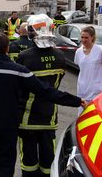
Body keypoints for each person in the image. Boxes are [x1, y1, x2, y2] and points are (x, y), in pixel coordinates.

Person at [0, 32, 86, 177]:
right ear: (7, 49)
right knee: (6, 161)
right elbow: (46, 91)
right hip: (9, 122)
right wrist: (77, 101)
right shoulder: (19, 71)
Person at [17, 14, 66, 177]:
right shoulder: (60, 56)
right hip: (49, 116)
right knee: (48, 158)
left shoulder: (25, 57)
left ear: (32, 32)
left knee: (29, 159)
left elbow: (19, 86)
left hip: (27, 118)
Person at [75, 26, 102, 115]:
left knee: (96, 116)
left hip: (97, 91)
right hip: (82, 90)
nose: (84, 40)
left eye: (86, 37)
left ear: (92, 37)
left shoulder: (100, 50)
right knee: (82, 116)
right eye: (82, 37)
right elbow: (81, 67)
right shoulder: (78, 52)